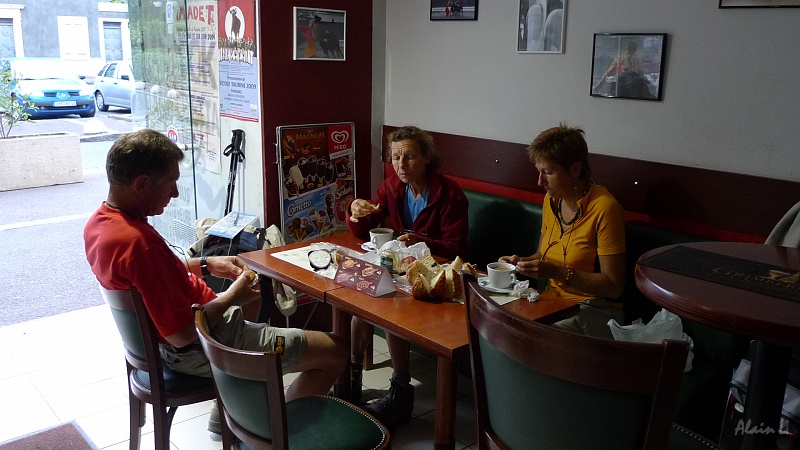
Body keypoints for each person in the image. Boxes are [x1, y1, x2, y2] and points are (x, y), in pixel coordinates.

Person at [84, 129, 347, 434]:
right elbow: (181, 334)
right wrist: (232, 297)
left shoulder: (100, 225)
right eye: (171, 184)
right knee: (335, 349)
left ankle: (231, 414)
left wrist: (206, 264)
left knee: (250, 301)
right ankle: (273, 433)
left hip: (170, 346)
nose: (175, 194)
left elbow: (152, 274)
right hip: (200, 347)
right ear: (141, 184)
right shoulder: (138, 243)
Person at [346, 125, 469, 427]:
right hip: (405, 275)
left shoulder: (450, 194)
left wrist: (420, 241)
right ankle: (349, 380)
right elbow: (366, 225)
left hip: (438, 280)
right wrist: (355, 210)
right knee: (360, 302)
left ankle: (401, 393)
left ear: (427, 157)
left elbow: (457, 248)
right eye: (396, 158)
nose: (401, 165)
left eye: (410, 158)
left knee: (388, 306)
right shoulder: (392, 188)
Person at [499, 123, 626, 339]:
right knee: (496, 319)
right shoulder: (552, 200)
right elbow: (542, 255)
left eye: (548, 172)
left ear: (575, 169)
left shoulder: (605, 208)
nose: (540, 182)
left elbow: (613, 286)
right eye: (538, 172)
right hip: (553, 301)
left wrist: (556, 272)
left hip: (595, 310)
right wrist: (521, 262)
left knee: (528, 337)